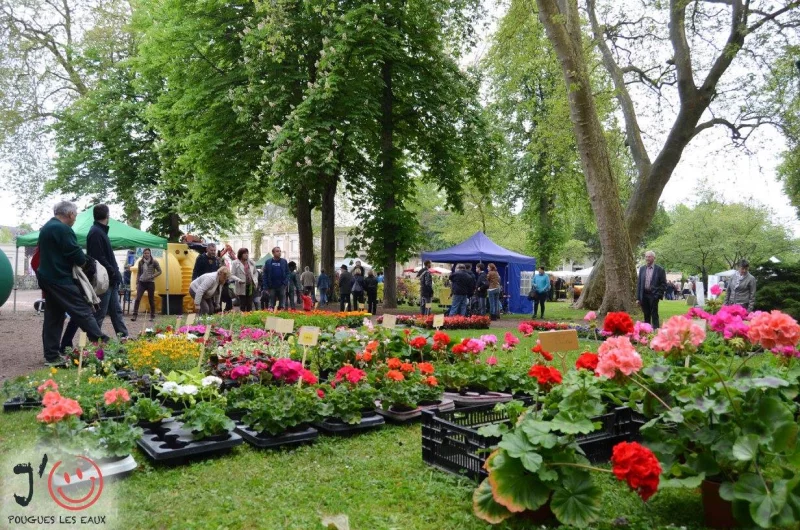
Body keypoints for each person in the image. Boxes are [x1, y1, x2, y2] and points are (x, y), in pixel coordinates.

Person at [37, 201, 109, 366]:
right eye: (75, 215)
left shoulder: (47, 227)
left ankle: (52, 356)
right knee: (82, 310)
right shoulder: (62, 229)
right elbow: (75, 254)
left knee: (54, 316)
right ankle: (103, 344)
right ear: (70, 214)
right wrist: (86, 263)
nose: (75, 218)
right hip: (60, 278)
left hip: (47, 277)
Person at [86, 204, 129, 336]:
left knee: (116, 311)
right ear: (107, 215)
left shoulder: (99, 231)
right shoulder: (96, 232)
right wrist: (113, 272)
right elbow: (99, 258)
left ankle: (124, 338)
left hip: (110, 279)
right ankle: (94, 341)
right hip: (104, 279)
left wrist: (114, 273)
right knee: (100, 313)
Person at [636, 250, 667, 328]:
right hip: (644, 295)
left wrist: (657, 294)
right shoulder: (642, 269)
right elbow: (639, 284)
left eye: (649, 257)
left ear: (654, 258)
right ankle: (647, 330)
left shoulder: (660, 269)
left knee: (654, 314)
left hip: (654, 295)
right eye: (646, 257)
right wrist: (638, 298)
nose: (647, 258)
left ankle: (656, 329)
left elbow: (664, 284)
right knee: (646, 314)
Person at [131, 248, 162, 321]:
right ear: (143, 254)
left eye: (148, 253)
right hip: (142, 282)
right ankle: (134, 315)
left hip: (150, 282)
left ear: (150, 254)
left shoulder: (154, 261)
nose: (146, 254)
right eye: (145, 253)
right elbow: (139, 273)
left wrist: (152, 276)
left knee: (151, 299)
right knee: (138, 298)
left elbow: (160, 271)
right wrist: (137, 282)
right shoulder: (140, 262)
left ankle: (152, 316)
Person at [231, 248, 258, 312]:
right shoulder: (235, 263)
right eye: (244, 253)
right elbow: (232, 275)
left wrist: (255, 279)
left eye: (247, 253)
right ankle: (242, 316)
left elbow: (255, 272)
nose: (246, 254)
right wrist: (238, 280)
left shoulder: (251, 262)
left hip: (250, 286)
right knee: (242, 304)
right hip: (241, 286)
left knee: (249, 304)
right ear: (240, 254)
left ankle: (249, 316)